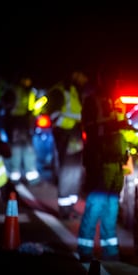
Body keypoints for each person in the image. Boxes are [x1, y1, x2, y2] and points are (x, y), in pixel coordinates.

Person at [76, 67, 138, 262]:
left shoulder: (116, 102)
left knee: (111, 208)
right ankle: (84, 250)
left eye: (117, 80)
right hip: (101, 163)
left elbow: (127, 133)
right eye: (113, 80)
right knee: (96, 205)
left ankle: (110, 251)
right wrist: (114, 125)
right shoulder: (93, 102)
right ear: (102, 80)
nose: (116, 84)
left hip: (116, 164)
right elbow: (90, 129)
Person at [45, 71, 88, 219]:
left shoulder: (74, 90)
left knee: (75, 171)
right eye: (83, 75)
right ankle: (64, 209)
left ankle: (70, 206)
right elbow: (54, 116)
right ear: (75, 74)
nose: (85, 79)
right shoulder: (60, 91)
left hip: (73, 133)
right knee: (68, 171)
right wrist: (70, 125)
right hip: (66, 134)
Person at [3, 75, 40, 185]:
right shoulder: (14, 90)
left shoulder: (31, 92)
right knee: (17, 148)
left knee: (27, 149)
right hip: (16, 121)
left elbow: (36, 107)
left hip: (25, 122)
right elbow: (7, 105)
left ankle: (29, 175)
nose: (29, 81)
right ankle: (15, 175)